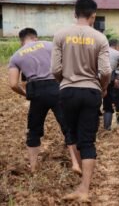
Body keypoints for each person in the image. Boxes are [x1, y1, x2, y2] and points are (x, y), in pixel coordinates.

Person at [51, 0, 112, 202]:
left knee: (72, 134)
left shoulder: (60, 35)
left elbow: (55, 69)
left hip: (67, 91)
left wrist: (66, 81)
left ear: (74, 13)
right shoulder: (100, 38)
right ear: (93, 15)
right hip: (91, 92)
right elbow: (105, 71)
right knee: (88, 141)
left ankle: (78, 175)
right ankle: (84, 189)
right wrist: (102, 88)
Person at [8, 28, 80, 174]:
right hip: (57, 86)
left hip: (36, 91)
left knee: (33, 130)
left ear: (22, 40)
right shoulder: (49, 45)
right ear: (35, 37)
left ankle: (34, 167)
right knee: (67, 126)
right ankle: (76, 164)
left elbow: (13, 84)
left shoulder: (16, 56)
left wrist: (26, 94)